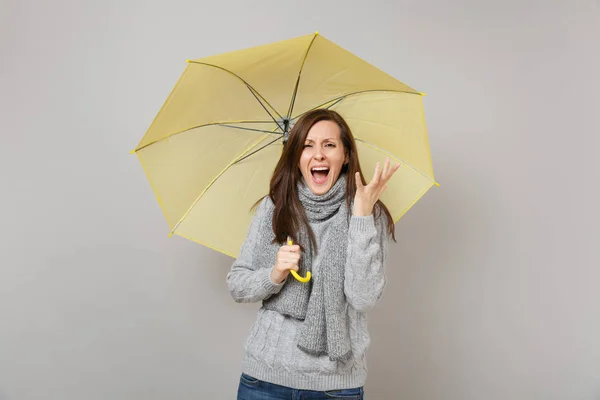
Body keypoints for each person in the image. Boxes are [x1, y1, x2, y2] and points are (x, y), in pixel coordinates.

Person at [226, 108, 400, 399]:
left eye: (329, 145)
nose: (318, 154)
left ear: (345, 156)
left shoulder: (370, 213)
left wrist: (360, 217)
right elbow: (237, 285)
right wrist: (275, 274)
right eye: (307, 146)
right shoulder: (275, 207)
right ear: (296, 157)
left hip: (335, 387)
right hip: (265, 381)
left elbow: (364, 296)